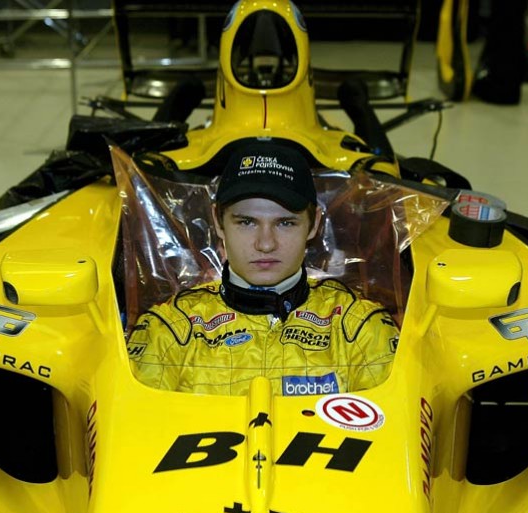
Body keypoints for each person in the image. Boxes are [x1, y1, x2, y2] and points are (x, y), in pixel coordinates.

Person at [126, 142, 399, 396]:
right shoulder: (170, 331)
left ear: (314, 224)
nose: (265, 244)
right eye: (246, 222)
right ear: (218, 222)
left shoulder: (360, 329)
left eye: (285, 223)